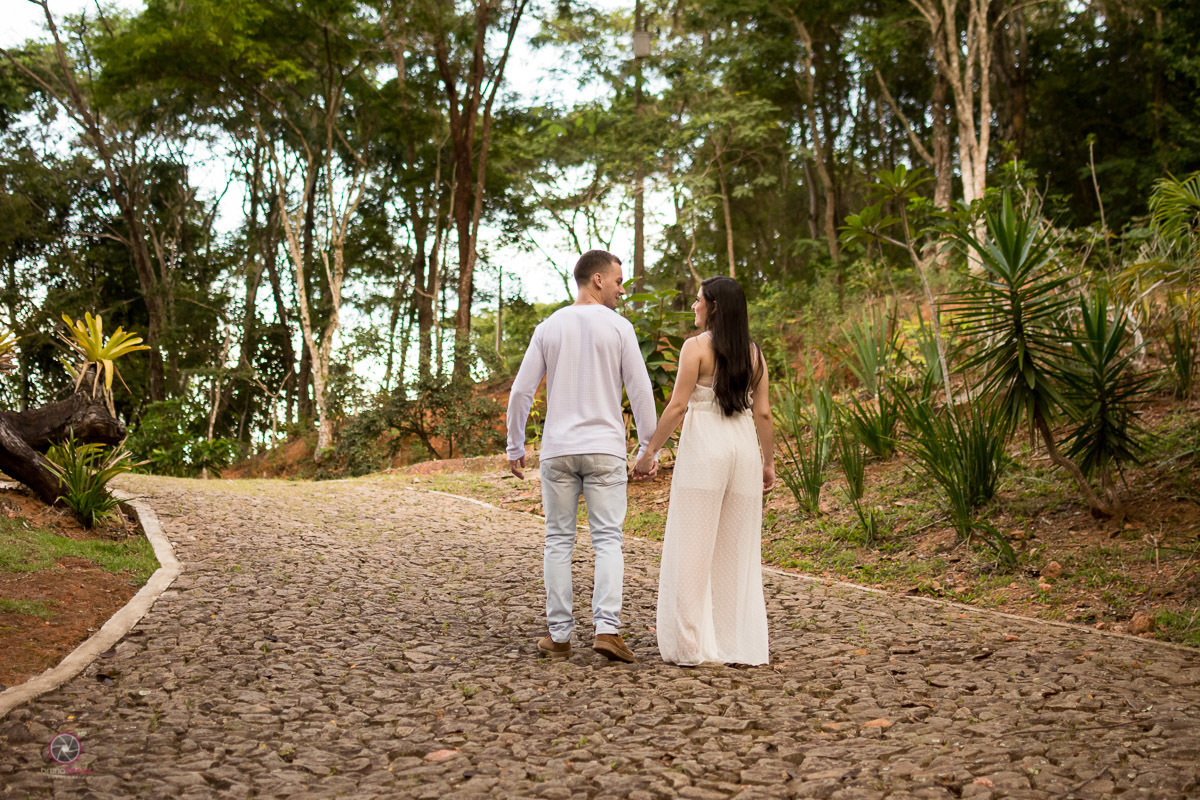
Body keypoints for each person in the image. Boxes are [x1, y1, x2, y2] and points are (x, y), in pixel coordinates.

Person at [506, 250, 657, 664]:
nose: (622, 289)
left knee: (557, 540)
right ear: (596, 280)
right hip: (605, 448)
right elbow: (640, 390)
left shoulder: (549, 327)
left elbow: (521, 391)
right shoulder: (619, 328)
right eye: (617, 281)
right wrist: (648, 447)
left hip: (557, 450)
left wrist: (515, 445)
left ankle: (559, 637)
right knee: (608, 539)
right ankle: (607, 629)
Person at [633, 276, 774, 666]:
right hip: (743, 450)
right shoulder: (754, 353)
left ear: (712, 306)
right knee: (735, 550)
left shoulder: (695, 347)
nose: (693, 307)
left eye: (697, 301)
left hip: (706, 451)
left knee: (692, 547)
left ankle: (691, 644)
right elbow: (762, 412)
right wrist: (768, 462)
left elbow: (677, 407)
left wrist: (649, 453)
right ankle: (734, 644)